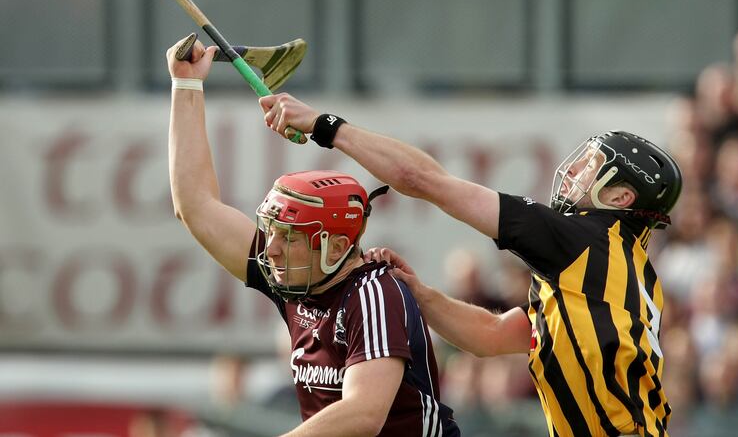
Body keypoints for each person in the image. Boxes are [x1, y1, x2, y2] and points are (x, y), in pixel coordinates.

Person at [259, 94, 683, 437]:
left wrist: (327, 127)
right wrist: (420, 294)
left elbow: (422, 180)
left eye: (591, 167)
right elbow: (492, 336)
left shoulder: (583, 242)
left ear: (620, 198)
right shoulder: (608, 270)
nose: (573, 170)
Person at [166, 37, 460, 437]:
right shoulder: (293, 278)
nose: (270, 249)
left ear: (336, 247)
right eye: (271, 233)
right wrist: (186, 86)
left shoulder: (374, 293)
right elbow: (195, 206)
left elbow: (363, 414)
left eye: (288, 237)